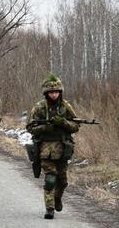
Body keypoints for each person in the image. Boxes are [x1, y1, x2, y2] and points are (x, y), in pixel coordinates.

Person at [26, 73, 79, 219]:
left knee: (62, 181)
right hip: (45, 149)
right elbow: (29, 127)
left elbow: (76, 126)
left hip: (63, 149)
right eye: (51, 92)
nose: (54, 95)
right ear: (46, 93)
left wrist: (63, 123)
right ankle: (49, 209)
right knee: (50, 179)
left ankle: (57, 198)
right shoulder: (39, 107)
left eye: (56, 92)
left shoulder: (65, 106)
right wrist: (44, 128)